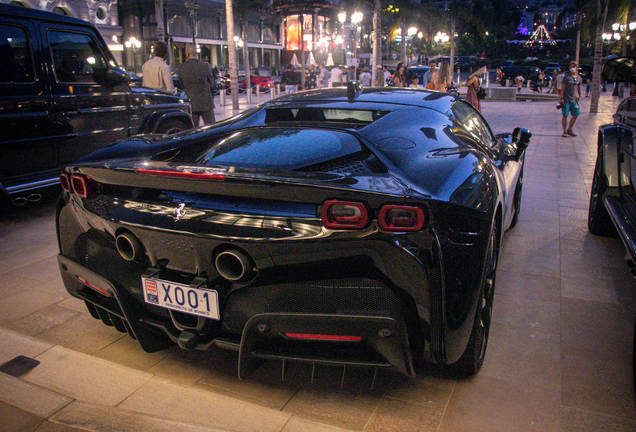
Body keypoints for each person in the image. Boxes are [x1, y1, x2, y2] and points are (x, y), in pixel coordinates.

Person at [177, 44, 215, 126]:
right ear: (196, 54)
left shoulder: (181, 68)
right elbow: (212, 82)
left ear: (187, 54)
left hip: (191, 102)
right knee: (211, 127)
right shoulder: (205, 66)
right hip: (206, 101)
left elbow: (182, 85)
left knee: (194, 128)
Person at [559, 60, 582, 138]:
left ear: (577, 67)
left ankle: (570, 129)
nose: (573, 68)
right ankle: (564, 131)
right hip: (566, 99)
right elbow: (563, 88)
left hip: (574, 99)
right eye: (571, 66)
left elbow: (579, 87)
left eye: (574, 66)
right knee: (565, 115)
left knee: (576, 114)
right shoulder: (566, 77)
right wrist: (561, 98)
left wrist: (580, 95)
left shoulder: (578, 77)